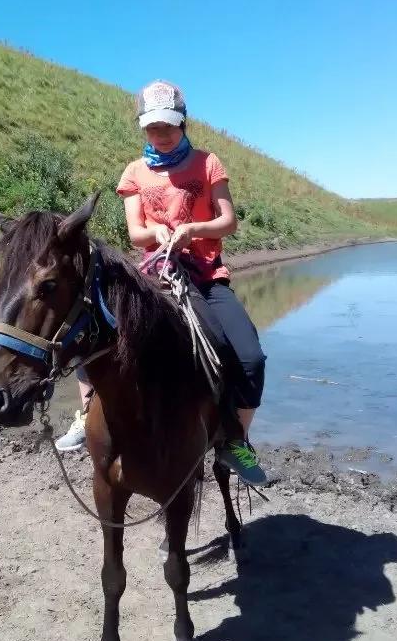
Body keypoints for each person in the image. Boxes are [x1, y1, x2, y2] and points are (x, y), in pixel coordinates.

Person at [55, 80, 267, 487]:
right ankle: (87, 414)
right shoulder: (135, 172)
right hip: (153, 275)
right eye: (153, 128)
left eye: (168, 126)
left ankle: (234, 441)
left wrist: (192, 229)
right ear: (143, 128)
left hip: (205, 276)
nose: (161, 134)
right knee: (91, 330)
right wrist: (157, 233)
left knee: (249, 357)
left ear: (183, 123)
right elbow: (135, 232)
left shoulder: (208, 163)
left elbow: (229, 221)